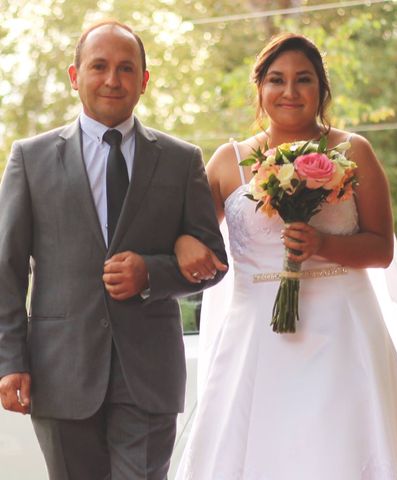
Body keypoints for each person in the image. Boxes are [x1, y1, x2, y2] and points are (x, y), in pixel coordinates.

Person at [174, 33, 397, 479]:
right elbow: (191, 235)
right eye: (276, 80)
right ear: (260, 88)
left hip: (343, 332)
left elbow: (381, 247)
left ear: (322, 90)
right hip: (255, 337)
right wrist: (182, 241)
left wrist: (323, 244)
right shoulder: (228, 161)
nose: (289, 91)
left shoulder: (354, 151)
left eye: (303, 80)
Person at [0, 20, 227, 480]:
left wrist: (153, 273)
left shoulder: (182, 160)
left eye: (126, 69)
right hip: (59, 370)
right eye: (99, 66)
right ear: (74, 75)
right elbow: (6, 267)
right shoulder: (31, 157)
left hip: (148, 374)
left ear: (144, 81)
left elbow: (213, 262)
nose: (112, 79)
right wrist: (9, 360)